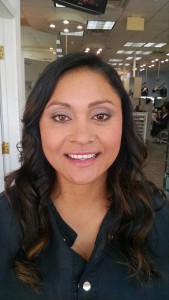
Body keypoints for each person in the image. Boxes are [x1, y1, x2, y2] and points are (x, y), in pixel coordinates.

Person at [0, 52, 169, 300]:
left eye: (101, 116)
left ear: (123, 124)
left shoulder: (160, 220)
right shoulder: (4, 220)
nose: (82, 137)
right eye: (61, 117)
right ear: (38, 127)